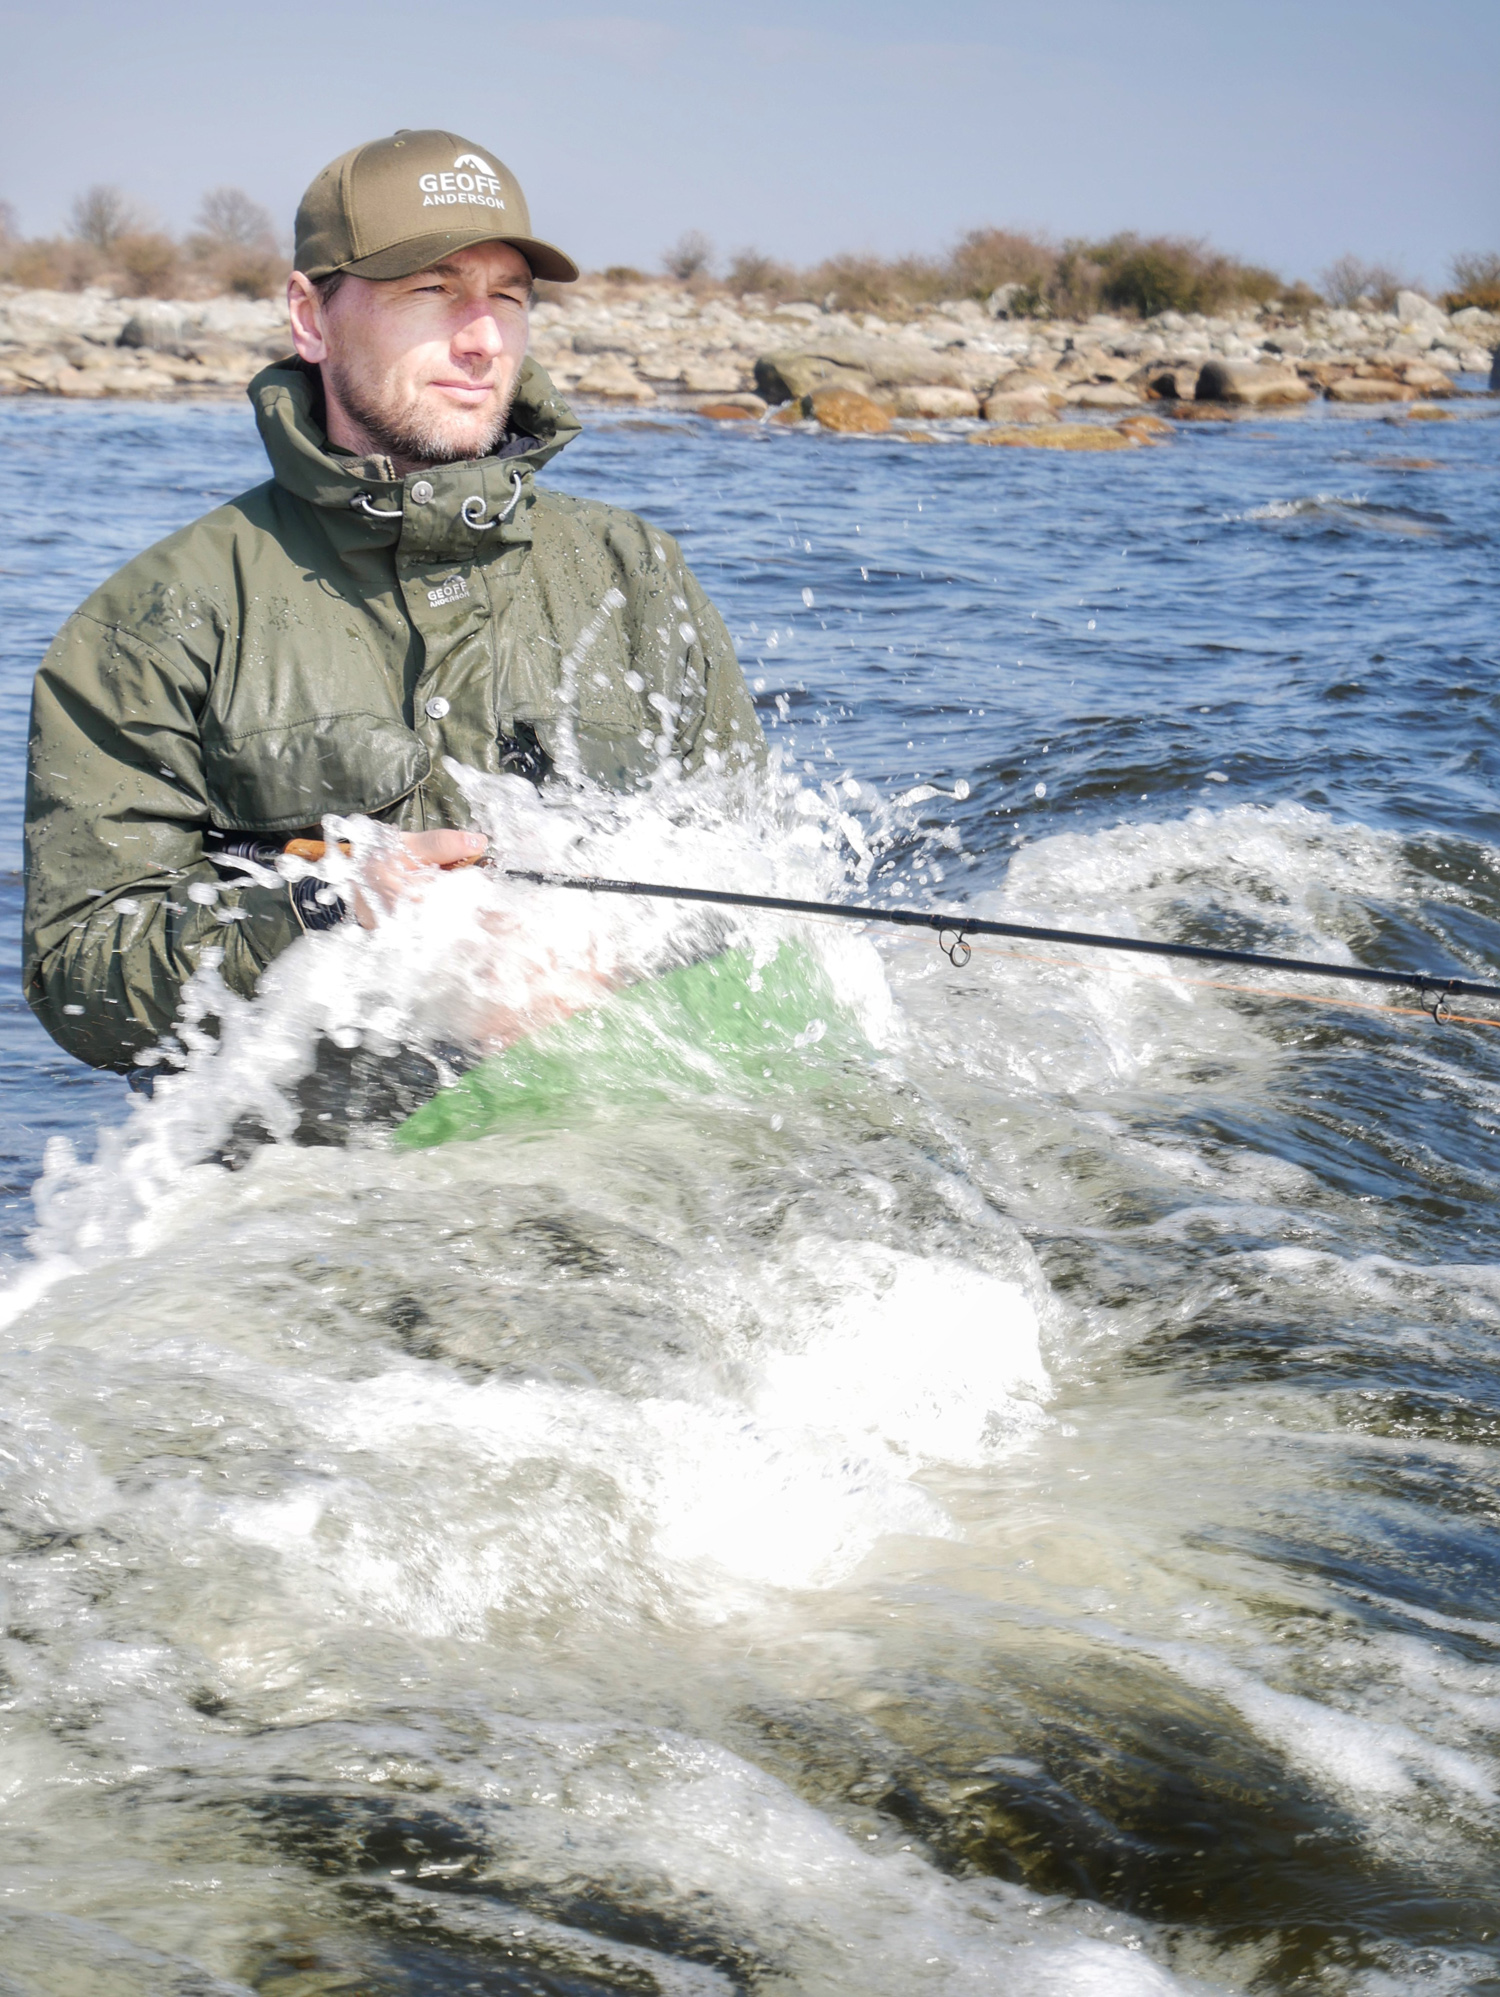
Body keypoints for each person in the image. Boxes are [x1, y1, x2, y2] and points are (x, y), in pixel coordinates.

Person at [23, 129, 764, 1078]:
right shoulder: (149, 621)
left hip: (628, 1134)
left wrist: (601, 957)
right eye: (432, 290)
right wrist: (330, 910)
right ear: (309, 315)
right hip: (323, 1195)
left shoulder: (636, 570)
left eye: (508, 297)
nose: (483, 337)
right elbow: (81, 979)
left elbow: (744, 872)